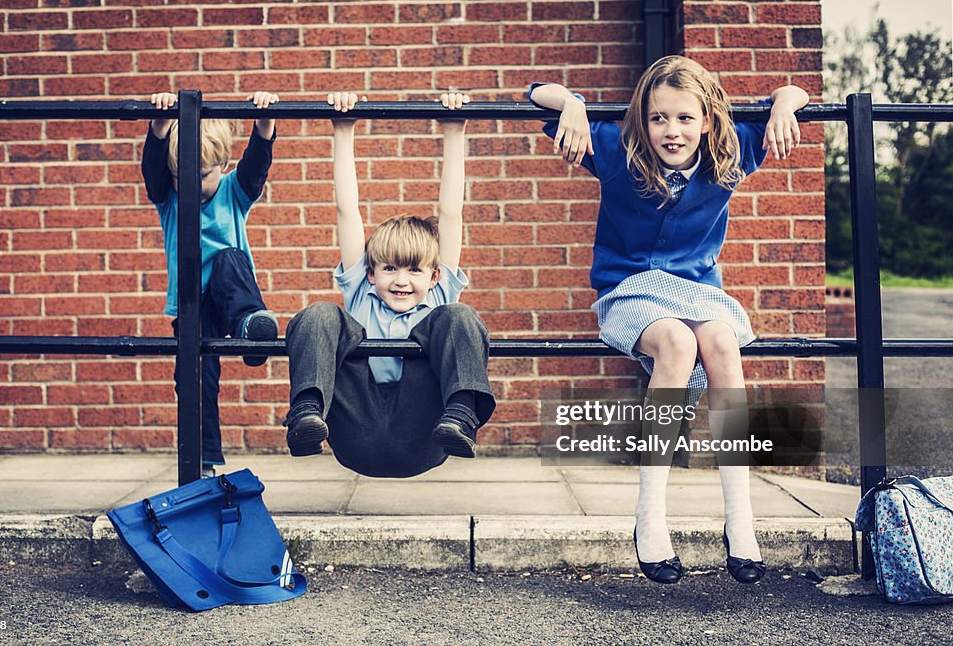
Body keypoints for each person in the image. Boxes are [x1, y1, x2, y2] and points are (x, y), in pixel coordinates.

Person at [527, 56, 809, 584]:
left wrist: (784, 105)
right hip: (629, 289)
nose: (671, 131)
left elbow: (796, 90)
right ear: (643, 119)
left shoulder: (734, 153)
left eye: (684, 118)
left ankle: (739, 518)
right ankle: (650, 518)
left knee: (723, 343)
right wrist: (571, 102)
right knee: (678, 344)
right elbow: (535, 89)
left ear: (706, 119)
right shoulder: (615, 151)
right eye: (658, 118)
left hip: (699, 292)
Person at [281, 91, 496, 478]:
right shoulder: (360, 293)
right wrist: (343, 129)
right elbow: (347, 210)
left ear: (434, 276)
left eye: (414, 272)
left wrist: (454, 131)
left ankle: (463, 412)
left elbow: (451, 212)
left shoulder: (441, 293)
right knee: (320, 314)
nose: (401, 281)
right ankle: (307, 411)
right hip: (354, 428)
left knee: (459, 316)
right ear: (369, 273)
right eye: (390, 269)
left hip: (425, 432)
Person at [143, 91, 283, 478]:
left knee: (228, 259)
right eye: (180, 175)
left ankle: (252, 330)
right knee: (195, 378)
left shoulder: (232, 193)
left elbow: (255, 167)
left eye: (201, 175)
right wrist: (159, 123)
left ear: (222, 165)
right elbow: (152, 169)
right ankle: (203, 462)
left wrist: (265, 123)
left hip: (231, 297)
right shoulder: (169, 199)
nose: (188, 184)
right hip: (193, 305)